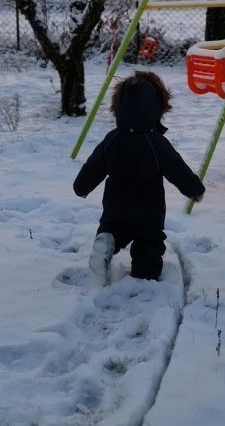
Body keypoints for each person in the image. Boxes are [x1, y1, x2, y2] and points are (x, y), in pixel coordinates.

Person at [74, 69, 205, 283]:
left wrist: (81, 187)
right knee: (149, 244)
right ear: (156, 109)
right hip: (148, 212)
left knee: (114, 229)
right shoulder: (156, 143)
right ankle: (143, 278)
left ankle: (107, 240)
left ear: (118, 108)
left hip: (115, 207)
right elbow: (177, 168)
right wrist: (195, 189)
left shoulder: (112, 139)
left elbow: (93, 166)